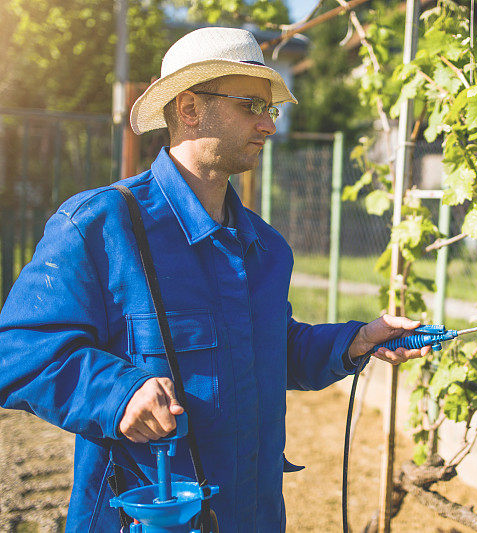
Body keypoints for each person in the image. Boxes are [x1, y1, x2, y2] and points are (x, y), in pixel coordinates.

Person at [0, 26, 428, 532]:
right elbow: (19, 350)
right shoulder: (100, 226)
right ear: (188, 109)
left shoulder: (266, 249)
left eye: (270, 110)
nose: (268, 125)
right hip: (147, 516)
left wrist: (355, 340)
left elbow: (269, 349)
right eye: (251, 105)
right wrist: (118, 395)